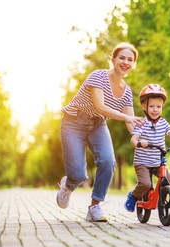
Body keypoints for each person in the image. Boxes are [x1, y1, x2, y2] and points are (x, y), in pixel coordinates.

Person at [57, 42, 145, 222]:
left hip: (97, 125)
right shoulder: (98, 76)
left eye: (130, 59)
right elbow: (100, 107)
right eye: (122, 57)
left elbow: (131, 123)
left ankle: (94, 207)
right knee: (79, 175)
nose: (125, 62)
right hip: (74, 122)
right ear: (113, 60)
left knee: (108, 161)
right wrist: (127, 118)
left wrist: (142, 137)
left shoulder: (127, 91)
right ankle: (68, 185)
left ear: (133, 64)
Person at [124, 84, 170, 212]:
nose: (155, 110)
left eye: (158, 107)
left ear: (162, 107)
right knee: (146, 184)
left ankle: (161, 200)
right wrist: (139, 142)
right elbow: (133, 140)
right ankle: (133, 196)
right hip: (142, 162)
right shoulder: (141, 123)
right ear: (144, 106)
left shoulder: (163, 123)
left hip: (158, 161)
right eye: (152, 106)